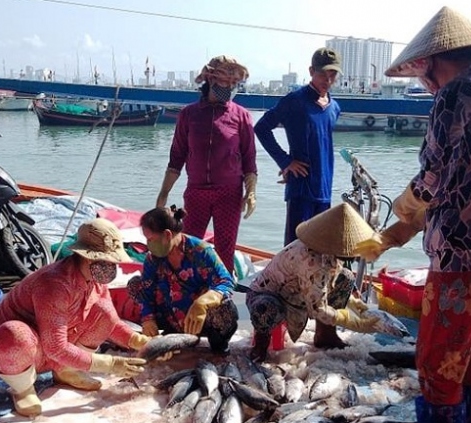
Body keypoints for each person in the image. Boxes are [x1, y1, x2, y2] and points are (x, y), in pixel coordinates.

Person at [360, 6, 471, 423]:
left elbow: (433, 178)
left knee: (437, 362)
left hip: (462, 252)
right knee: (468, 354)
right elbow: (467, 179)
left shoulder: (454, 95)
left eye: (421, 73)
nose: (422, 81)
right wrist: (399, 233)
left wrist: (404, 205)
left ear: (432, 63)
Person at [0, 219, 150, 417]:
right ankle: (22, 389)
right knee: (16, 334)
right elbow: (55, 347)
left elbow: (111, 323)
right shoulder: (54, 284)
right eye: (106, 261)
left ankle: (66, 370)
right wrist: (109, 364)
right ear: (86, 258)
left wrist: (139, 342)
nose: (111, 267)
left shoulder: (94, 280)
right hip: (15, 353)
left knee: (103, 310)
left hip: (52, 350)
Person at [246, 203, 399, 361]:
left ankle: (325, 335)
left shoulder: (326, 251)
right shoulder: (311, 262)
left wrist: (353, 303)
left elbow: (330, 279)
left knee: (346, 277)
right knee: (265, 308)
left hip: (300, 292)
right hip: (271, 295)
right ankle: (260, 345)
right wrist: (352, 322)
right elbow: (317, 308)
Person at [155, 55, 257, 275]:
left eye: (234, 84)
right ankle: (187, 295)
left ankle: (221, 298)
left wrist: (251, 193)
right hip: (196, 192)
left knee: (225, 251)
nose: (230, 88)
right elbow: (176, 158)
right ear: (210, 80)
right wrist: (163, 195)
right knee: (188, 248)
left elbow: (249, 159)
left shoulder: (242, 116)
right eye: (225, 82)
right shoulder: (188, 115)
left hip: (229, 194)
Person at [254, 47, 342, 246]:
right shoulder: (294, 101)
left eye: (332, 75)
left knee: (319, 249)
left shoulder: (334, 107)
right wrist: (286, 161)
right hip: (301, 189)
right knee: (295, 249)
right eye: (322, 74)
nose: (327, 80)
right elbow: (261, 128)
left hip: (324, 189)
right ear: (311, 71)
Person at [128, 206, 239, 354]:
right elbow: (146, 291)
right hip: (169, 316)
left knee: (226, 308)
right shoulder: (152, 258)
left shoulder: (201, 251)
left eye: (150, 239)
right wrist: (148, 319)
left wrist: (202, 303)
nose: (148, 244)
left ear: (167, 235)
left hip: (198, 321)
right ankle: (166, 335)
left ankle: (218, 347)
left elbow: (226, 281)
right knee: (135, 284)